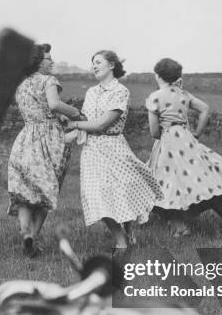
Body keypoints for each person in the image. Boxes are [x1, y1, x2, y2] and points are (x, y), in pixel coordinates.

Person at [146, 58, 222, 237]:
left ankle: (180, 227)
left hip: (167, 142)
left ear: (157, 76)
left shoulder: (155, 97)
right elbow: (205, 108)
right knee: (204, 181)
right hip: (187, 139)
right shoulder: (183, 94)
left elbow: (153, 131)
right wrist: (196, 133)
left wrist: (164, 134)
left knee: (166, 183)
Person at [66, 50, 162, 250]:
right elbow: (86, 121)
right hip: (92, 151)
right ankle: (121, 242)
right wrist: (64, 134)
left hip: (114, 147)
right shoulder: (91, 92)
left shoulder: (121, 91)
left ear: (112, 65)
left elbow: (101, 124)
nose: (94, 66)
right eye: (92, 63)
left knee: (120, 192)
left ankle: (127, 230)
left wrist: (74, 125)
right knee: (96, 197)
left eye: (98, 62)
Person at [7, 44, 81, 257]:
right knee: (46, 193)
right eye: (49, 58)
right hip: (49, 141)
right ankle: (35, 236)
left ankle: (26, 233)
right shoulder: (49, 80)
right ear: (38, 62)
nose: (52, 62)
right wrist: (76, 114)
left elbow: (37, 110)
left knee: (24, 192)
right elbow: (54, 104)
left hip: (24, 141)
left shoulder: (21, 86)